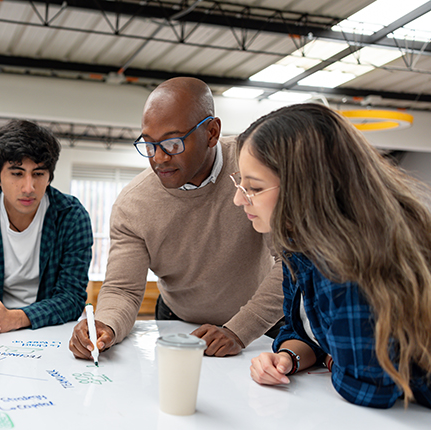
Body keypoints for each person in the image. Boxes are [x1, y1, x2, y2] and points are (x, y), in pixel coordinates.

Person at [70, 77, 283, 360]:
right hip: (178, 323)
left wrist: (239, 331)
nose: (158, 158)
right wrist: (105, 325)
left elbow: (289, 264)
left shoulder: (254, 168)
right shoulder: (134, 204)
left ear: (211, 132)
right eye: (148, 144)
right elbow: (123, 289)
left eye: (172, 143)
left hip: (259, 326)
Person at [240, 103, 431, 409]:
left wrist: (327, 357)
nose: (240, 199)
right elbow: (301, 328)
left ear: (303, 188)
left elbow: (368, 388)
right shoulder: (300, 249)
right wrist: (289, 357)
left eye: (254, 188)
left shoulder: (349, 262)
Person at [0, 120, 93, 334]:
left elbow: (72, 298)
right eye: (17, 173)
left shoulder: (71, 216)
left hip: (48, 330)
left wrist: (14, 318)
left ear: (49, 177)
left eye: (38, 174)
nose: (29, 187)